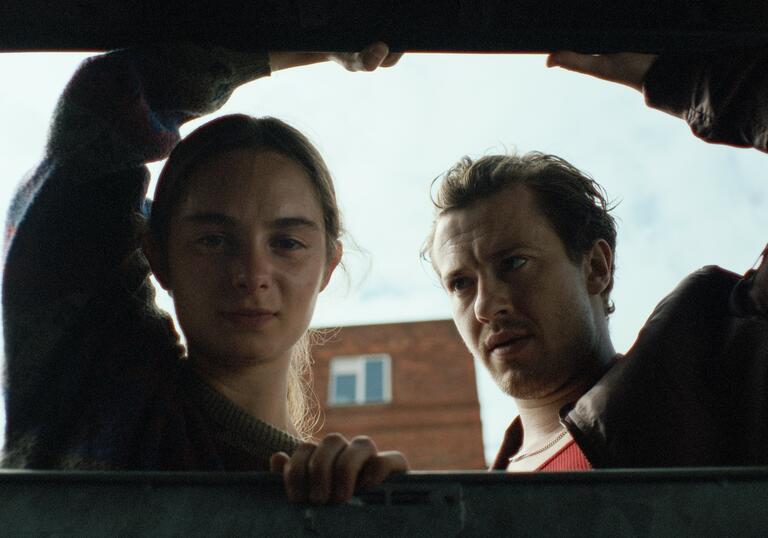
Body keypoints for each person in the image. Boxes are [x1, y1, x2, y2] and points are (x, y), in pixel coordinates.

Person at [1, 41, 406, 502]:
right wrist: (311, 39)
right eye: (213, 240)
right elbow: (100, 120)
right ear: (156, 256)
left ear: (328, 267)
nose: (252, 274)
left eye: (287, 243)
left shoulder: (335, 494)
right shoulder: (95, 384)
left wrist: (385, 515)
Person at [422, 49, 768, 471]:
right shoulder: (472, 503)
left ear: (596, 267)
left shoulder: (713, 372)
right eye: (460, 283)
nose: (485, 305)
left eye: (513, 263)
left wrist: (682, 76)